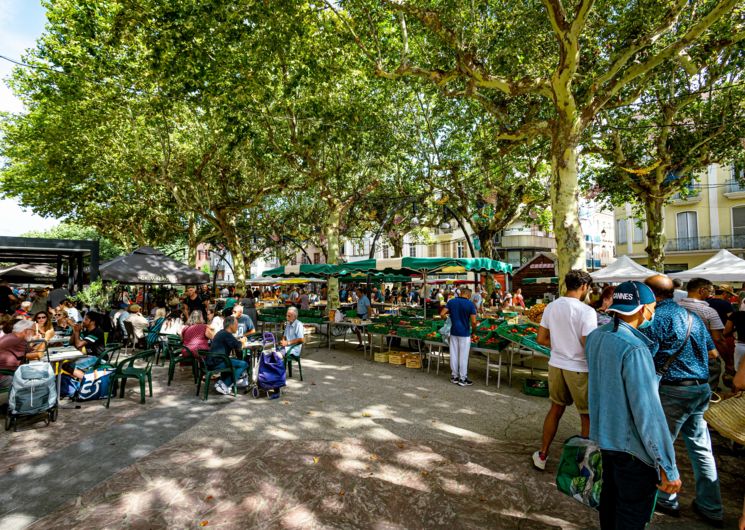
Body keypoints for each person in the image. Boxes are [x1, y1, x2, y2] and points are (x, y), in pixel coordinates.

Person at [585, 281, 681, 529]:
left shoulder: (596, 337)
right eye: (652, 307)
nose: (653, 312)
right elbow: (647, 413)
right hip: (633, 452)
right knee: (629, 515)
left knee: (610, 504)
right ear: (642, 309)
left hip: (606, 441)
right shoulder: (635, 349)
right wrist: (667, 466)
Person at [643, 275, 723, 525]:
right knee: (701, 448)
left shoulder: (656, 318)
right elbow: (713, 353)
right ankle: (711, 506)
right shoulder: (694, 318)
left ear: (650, 294)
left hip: (673, 390)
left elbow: (645, 356)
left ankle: (667, 498)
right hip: (700, 389)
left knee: (661, 446)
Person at [532, 269, 596, 471]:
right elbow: (588, 344)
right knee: (586, 416)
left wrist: (561, 345)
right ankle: (585, 463)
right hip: (579, 368)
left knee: (555, 409)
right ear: (584, 287)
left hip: (556, 365)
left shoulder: (551, 306)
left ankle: (542, 454)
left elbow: (541, 339)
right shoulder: (587, 311)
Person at [679, 278, 726, 390]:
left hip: (679, 356)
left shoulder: (675, 306)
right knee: (707, 391)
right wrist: (728, 362)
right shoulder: (709, 311)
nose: (711, 295)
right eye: (710, 291)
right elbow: (718, 339)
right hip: (705, 357)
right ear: (702, 290)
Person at [440, 287, 477, 387]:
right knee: (463, 356)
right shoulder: (470, 304)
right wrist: (474, 331)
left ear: (461, 293)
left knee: (454, 354)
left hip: (453, 332)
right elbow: (473, 321)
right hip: (465, 333)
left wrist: (448, 319)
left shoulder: (452, 301)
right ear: (468, 295)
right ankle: (463, 379)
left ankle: (454, 376)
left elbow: (442, 314)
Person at [209, 316, 249, 395]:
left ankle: (222, 382)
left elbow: (235, 344)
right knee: (244, 364)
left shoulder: (221, 332)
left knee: (233, 360)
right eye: (236, 324)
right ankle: (224, 385)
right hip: (217, 362)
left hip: (212, 361)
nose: (237, 327)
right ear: (231, 325)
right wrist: (243, 341)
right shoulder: (227, 334)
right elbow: (239, 346)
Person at [0, 320, 45, 389]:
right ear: (26, 331)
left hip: (6, 373)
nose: (34, 333)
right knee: (41, 380)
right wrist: (46, 339)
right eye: (33, 331)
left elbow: (31, 351)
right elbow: (37, 355)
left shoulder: (11, 337)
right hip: (5, 376)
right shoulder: (17, 340)